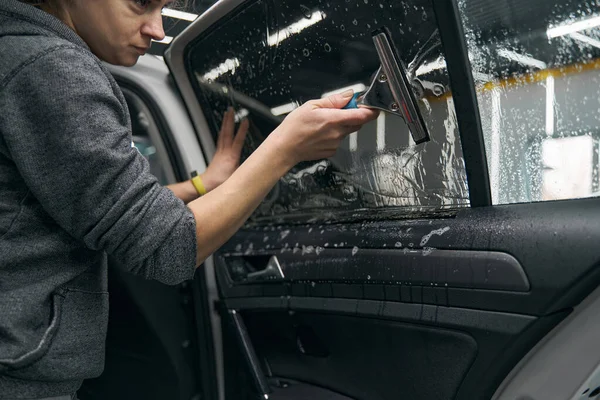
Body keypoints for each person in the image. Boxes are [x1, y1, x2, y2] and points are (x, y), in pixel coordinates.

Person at [0, 0, 379, 398]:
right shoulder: (50, 66)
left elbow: (103, 204)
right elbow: (166, 246)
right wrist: (285, 149)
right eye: (141, 4)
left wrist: (207, 183)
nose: (158, 30)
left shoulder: (23, 53)